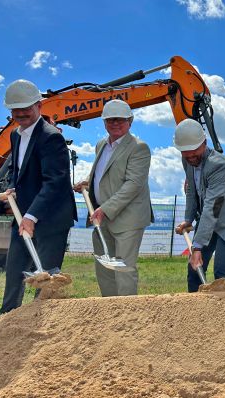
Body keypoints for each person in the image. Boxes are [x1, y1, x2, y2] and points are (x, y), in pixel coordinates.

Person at [0, 79, 76, 313]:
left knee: (46, 278)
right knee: (15, 272)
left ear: (39, 106)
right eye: (16, 109)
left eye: (26, 108)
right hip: (23, 215)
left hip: (51, 218)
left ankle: (41, 322)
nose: (21, 113)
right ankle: (7, 319)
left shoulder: (51, 137)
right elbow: (17, 169)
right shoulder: (15, 135)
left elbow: (55, 182)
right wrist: (12, 186)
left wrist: (32, 216)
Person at [72, 100, 152, 296]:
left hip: (127, 219)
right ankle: (109, 311)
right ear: (104, 122)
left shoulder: (139, 148)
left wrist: (105, 209)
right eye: (110, 120)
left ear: (130, 121)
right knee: (104, 269)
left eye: (120, 120)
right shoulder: (101, 144)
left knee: (123, 268)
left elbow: (133, 184)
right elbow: (104, 174)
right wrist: (87, 182)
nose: (115, 123)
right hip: (102, 217)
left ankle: (126, 315)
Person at [174, 119, 225, 291]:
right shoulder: (188, 159)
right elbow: (192, 191)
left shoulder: (218, 165)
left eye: (194, 152)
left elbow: (213, 206)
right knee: (194, 268)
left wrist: (197, 247)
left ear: (204, 142)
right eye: (186, 153)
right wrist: (188, 219)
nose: (190, 157)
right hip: (211, 219)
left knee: (222, 268)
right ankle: (196, 311)